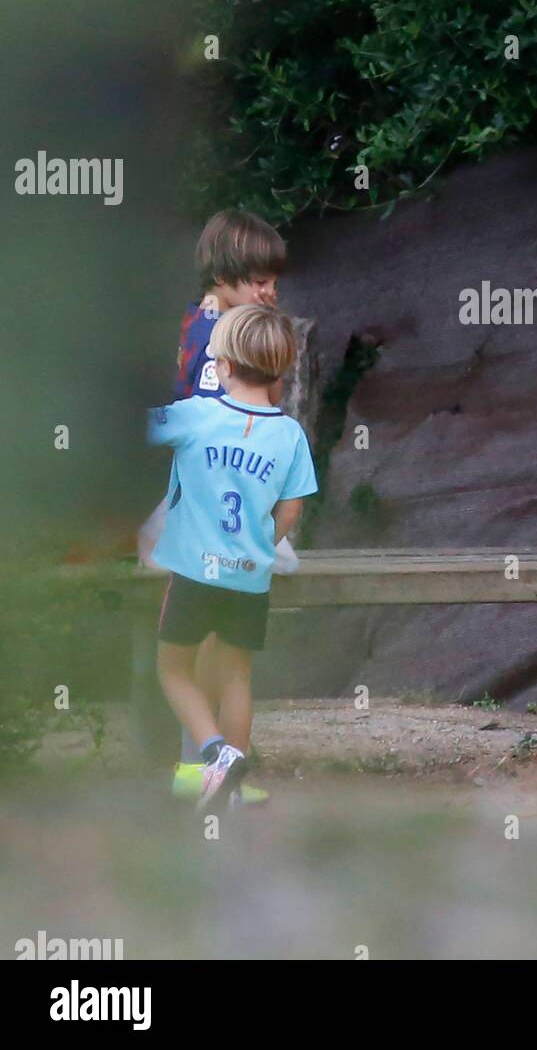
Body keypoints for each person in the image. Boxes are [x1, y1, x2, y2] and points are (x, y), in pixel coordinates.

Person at [140, 208, 290, 802]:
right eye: (259, 279)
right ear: (223, 275)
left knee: (200, 654)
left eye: (275, 279)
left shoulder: (203, 323)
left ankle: (208, 769)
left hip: (206, 516)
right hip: (223, 515)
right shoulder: (224, 337)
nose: (271, 290)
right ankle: (212, 772)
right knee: (219, 659)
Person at [147, 304, 318, 812]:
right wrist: (265, 540)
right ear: (280, 370)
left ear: (221, 367)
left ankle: (215, 753)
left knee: (174, 670)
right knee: (236, 677)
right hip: (249, 576)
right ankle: (234, 784)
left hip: (195, 573)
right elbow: (292, 506)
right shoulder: (288, 434)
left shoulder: (195, 415)